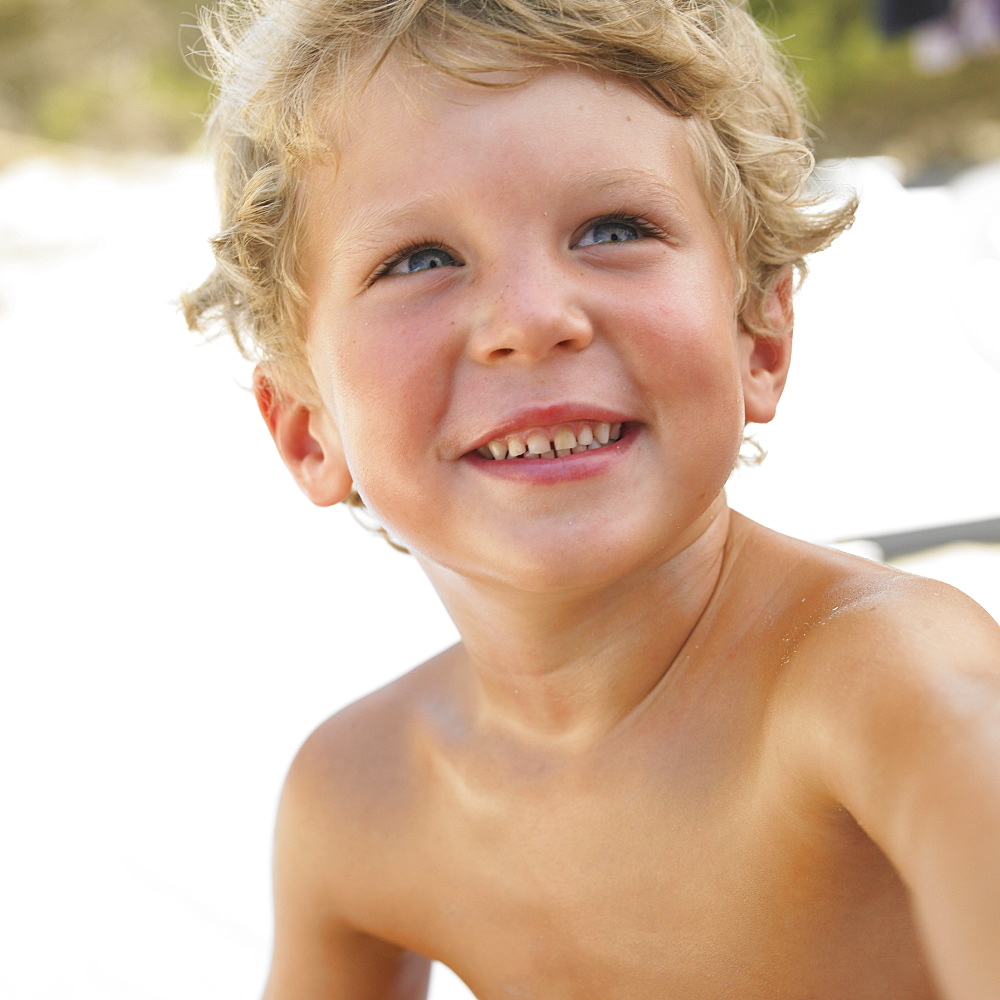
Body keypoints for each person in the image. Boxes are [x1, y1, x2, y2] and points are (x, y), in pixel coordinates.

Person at [184, 0, 1000, 996]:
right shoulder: (359, 800)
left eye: (612, 229)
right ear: (308, 430)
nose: (530, 320)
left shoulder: (882, 686)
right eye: (420, 260)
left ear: (759, 338)